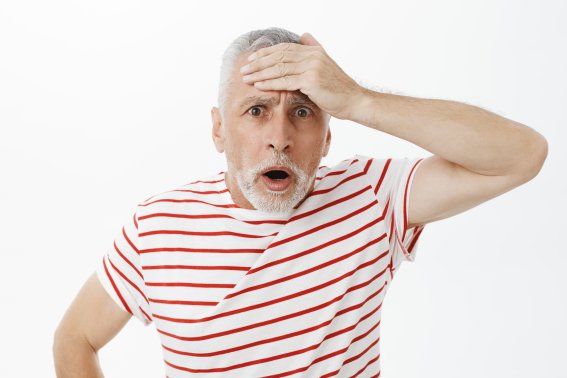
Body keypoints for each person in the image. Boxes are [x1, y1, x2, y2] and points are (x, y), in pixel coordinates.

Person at [53, 27, 548, 377]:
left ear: (328, 135)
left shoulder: (371, 197)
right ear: (218, 129)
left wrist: (358, 99)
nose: (280, 138)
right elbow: (76, 339)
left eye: (304, 111)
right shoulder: (157, 227)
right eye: (256, 110)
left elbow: (520, 155)